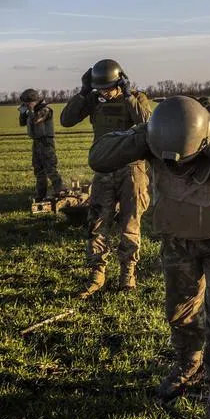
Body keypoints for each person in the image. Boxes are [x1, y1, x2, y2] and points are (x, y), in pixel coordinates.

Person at [88, 95, 210, 419]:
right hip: (178, 241)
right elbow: (99, 157)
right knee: (180, 311)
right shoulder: (156, 135)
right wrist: (143, 137)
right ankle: (189, 362)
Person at [60, 59, 155, 297]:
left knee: (130, 224)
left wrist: (128, 96)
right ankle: (97, 274)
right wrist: (83, 93)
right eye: (100, 89)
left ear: (120, 82)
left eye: (109, 88)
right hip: (104, 170)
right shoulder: (93, 100)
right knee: (97, 223)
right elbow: (66, 120)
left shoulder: (136, 98)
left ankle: (128, 273)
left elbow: (148, 124)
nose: (104, 92)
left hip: (132, 170)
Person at [18, 88, 65, 199]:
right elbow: (22, 123)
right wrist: (22, 113)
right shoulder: (32, 111)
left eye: (26, 103)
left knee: (51, 169)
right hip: (36, 142)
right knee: (39, 170)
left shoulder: (45, 110)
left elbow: (36, 120)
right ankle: (41, 195)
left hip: (46, 142)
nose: (25, 105)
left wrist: (30, 110)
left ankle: (61, 192)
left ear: (33, 101)